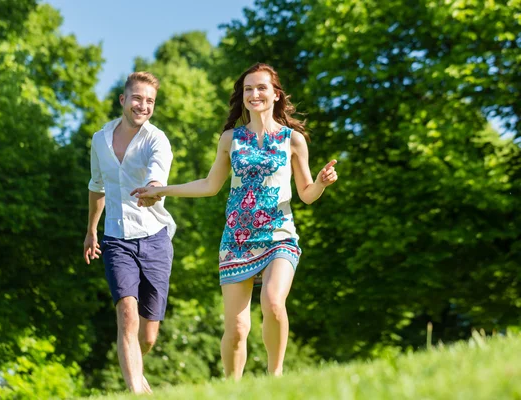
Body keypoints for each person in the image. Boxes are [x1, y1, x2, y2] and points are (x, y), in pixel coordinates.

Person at [131, 63, 338, 379]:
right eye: (248, 89)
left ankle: (276, 378)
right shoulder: (231, 139)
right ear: (242, 97)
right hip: (237, 240)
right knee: (238, 327)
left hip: (279, 234)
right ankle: (232, 388)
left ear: (275, 94)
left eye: (261, 88)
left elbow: (307, 194)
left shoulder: (293, 140)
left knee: (272, 302)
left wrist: (321, 182)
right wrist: (162, 191)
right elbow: (211, 185)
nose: (255, 94)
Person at [83, 71, 175, 394]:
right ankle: (136, 390)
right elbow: (97, 187)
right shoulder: (100, 140)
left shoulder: (156, 139)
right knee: (126, 314)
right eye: (137, 98)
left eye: (150, 101)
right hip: (116, 239)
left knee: (147, 335)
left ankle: (136, 366)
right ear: (123, 100)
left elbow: (157, 173)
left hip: (154, 238)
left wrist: (153, 188)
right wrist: (92, 229)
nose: (143, 106)